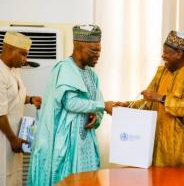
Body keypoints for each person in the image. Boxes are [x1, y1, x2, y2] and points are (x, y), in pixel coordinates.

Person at [111, 31, 184, 169]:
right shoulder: (162, 72)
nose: (163, 55)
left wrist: (160, 97)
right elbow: (149, 101)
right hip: (160, 146)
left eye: (166, 52)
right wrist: (128, 105)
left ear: (178, 54)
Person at [27, 25, 113, 185]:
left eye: (99, 51)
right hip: (66, 143)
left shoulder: (91, 74)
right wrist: (103, 106)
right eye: (94, 50)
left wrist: (97, 115)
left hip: (85, 142)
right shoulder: (65, 68)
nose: (98, 55)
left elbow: (96, 99)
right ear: (79, 47)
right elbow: (70, 102)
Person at [0, 32, 42, 186]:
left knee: (14, 177)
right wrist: (12, 139)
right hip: (4, 138)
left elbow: (14, 97)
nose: (25, 59)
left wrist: (30, 99)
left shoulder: (14, 70)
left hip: (15, 137)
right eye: (23, 54)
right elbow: (0, 113)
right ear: (9, 49)